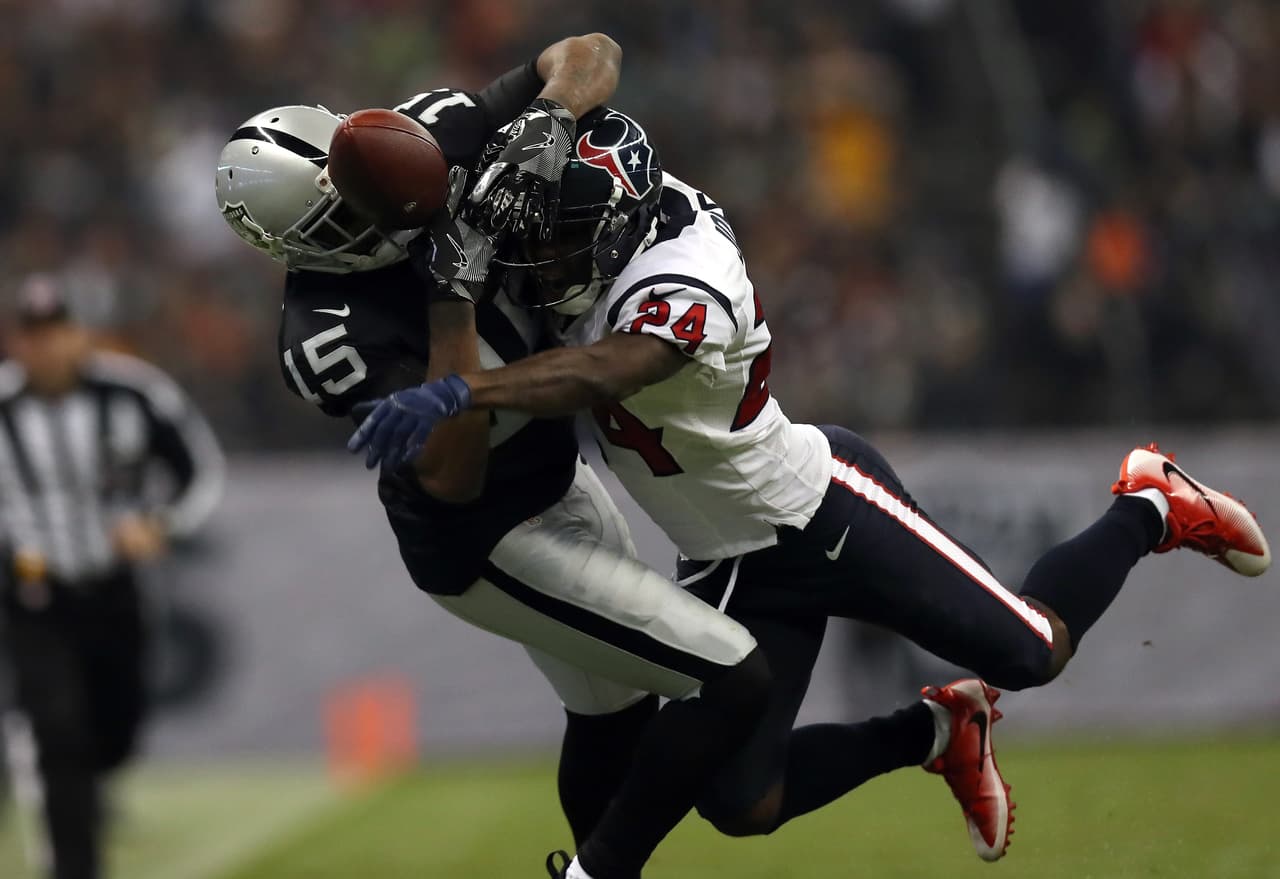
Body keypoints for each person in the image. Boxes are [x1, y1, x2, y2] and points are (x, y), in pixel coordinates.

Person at [351, 105, 1273, 875]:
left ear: (617, 228)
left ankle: (1149, 502)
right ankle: (935, 733)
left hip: (820, 507)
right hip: (727, 551)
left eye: (560, 244)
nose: (542, 263)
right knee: (743, 802)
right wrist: (535, 122)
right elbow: (588, 56)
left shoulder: (686, 273)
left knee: (1033, 650)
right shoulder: (598, 208)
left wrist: (463, 387)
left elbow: (603, 370)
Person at [216, 34, 775, 879]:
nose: (375, 215)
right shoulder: (327, 333)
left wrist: (549, 117)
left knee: (613, 714)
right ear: (287, 245)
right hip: (485, 536)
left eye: (359, 190)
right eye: (342, 217)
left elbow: (589, 48)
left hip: (555, 469)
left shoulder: (421, 135)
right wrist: (452, 303)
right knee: (733, 676)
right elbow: (451, 471)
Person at [0, 275, 225, 879]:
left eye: (59, 332)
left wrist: (162, 524)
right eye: (35, 336)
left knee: (116, 727)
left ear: (80, 335)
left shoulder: (132, 394)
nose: (48, 348)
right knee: (55, 726)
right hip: (32, 596)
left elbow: (198, 468)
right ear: (18, 343)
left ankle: (90, 782)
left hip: (115, 590)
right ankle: (76, 863)